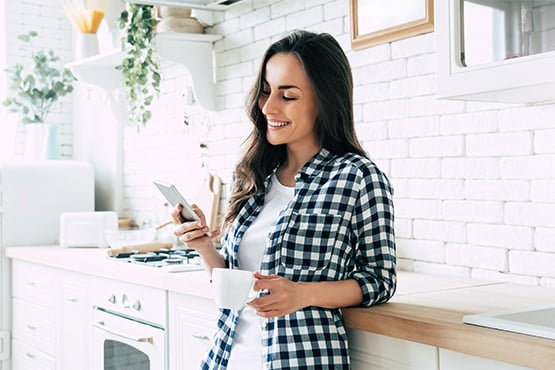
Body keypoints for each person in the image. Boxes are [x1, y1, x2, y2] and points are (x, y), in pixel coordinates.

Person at [171, 30, 396, 370]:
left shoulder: (356, 177)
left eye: (287, 96)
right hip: (227, 359)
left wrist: (304, 294)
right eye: (266, 92)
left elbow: (380, 279)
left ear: (324, 100)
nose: (268, 107)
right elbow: (235, 286)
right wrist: (203, 246)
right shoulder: (255, 174)